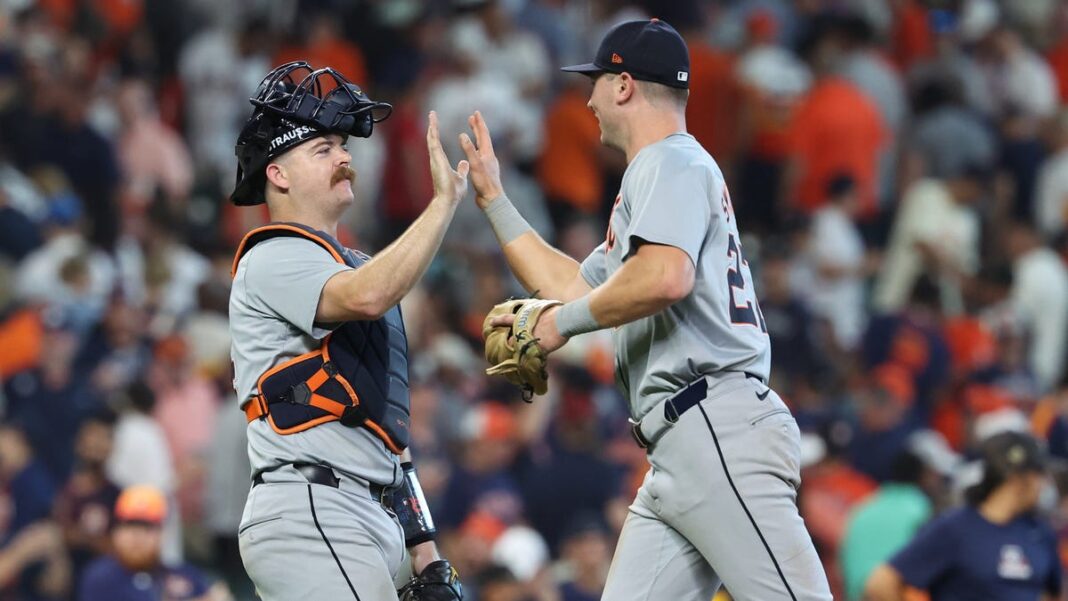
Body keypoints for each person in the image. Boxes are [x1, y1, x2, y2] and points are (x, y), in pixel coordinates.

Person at [461, 19, 832, 600]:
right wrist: (496, 202)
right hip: (681, 443)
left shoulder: (670, 163)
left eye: (597, 82)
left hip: (715, 423)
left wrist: (556, 325)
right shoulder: (664, 176)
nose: (588, 98)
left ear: (625, 85)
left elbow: (664, 278)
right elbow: (573, 287)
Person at [228, 61, 467, 600]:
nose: (345, 158)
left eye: (343, 145)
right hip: (311, 504)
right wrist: (443, 202)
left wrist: (425, 551)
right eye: (323, 149)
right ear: (278, 174)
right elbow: (368, 295)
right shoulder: (273, 254)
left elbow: (390, 436)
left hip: (363, 514)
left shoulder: (356, 263)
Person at [864, 431, 1062, 601]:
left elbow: (1054, 593)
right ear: (1018, 477)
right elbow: (882, 582)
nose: (1044, 484)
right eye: (1040, 474)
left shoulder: (1039, 532)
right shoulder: (957, 528)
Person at [78, 485, 220, 601]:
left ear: (162, 535)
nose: (137, 537)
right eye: (130, 526)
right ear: (116, 533)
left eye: (147, 528)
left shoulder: (186, 575)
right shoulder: (100, 577)